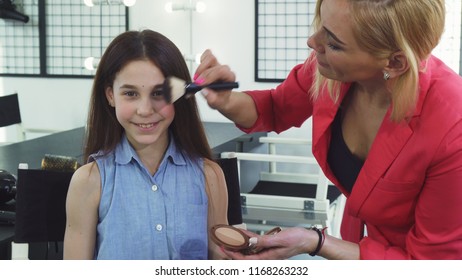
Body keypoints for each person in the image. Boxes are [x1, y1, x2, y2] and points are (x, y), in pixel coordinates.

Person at [194, 0, 462, 260]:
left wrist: (316, 242)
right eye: (321, 24)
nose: (313, 42)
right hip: (357, 242)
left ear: (394, 63)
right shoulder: (329, 71)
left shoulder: (451, 127)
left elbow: (431, 263)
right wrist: (227, 100)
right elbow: (275, 107)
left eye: (333, 43)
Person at [63, 29, 228, 260]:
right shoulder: (88, 182)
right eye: (130, 93)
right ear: (110, 95)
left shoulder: (210, 177)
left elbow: (222, 261)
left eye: (159, 93)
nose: (145, 110)